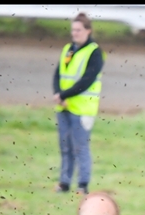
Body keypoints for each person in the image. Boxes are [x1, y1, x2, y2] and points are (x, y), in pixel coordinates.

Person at [53, 12, 105, 194]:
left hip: (83, 108)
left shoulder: (95, 53)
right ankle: (64, 182)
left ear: (88, 31)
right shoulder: (68, 49)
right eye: (73, 30)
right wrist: (58, 95)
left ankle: (83, 184)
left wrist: (63, 95)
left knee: (80, 147)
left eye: (78, 30)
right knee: (65, 146)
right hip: (64, 106)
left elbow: (87, 80)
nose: (74, 33)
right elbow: (58, 74)